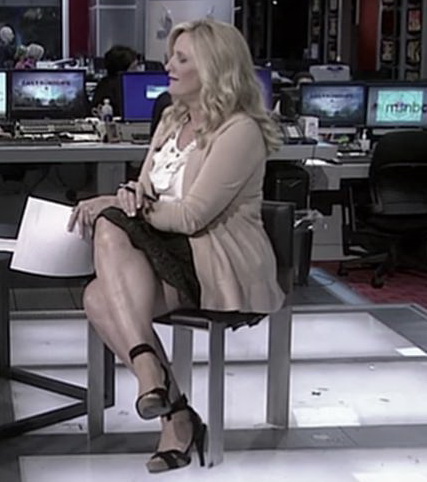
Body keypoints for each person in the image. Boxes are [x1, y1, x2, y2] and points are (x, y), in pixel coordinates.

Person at [68, 19, 285, 473]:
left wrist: (121, 204)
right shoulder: (172, 119)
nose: (168, 65)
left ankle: (157, 384)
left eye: (181, 59)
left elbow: (191, 217)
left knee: (105, 254)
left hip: (216, 257)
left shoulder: (239, 131)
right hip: (163, 247)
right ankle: (175, 410)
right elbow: (146, 189)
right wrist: (129, 197)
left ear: (214, 68)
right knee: (97, 286)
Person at [91, 44, 138, 117]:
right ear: (123, 70)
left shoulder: (103, 84)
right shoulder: (125, 88)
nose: (137, 71)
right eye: (134, 68)